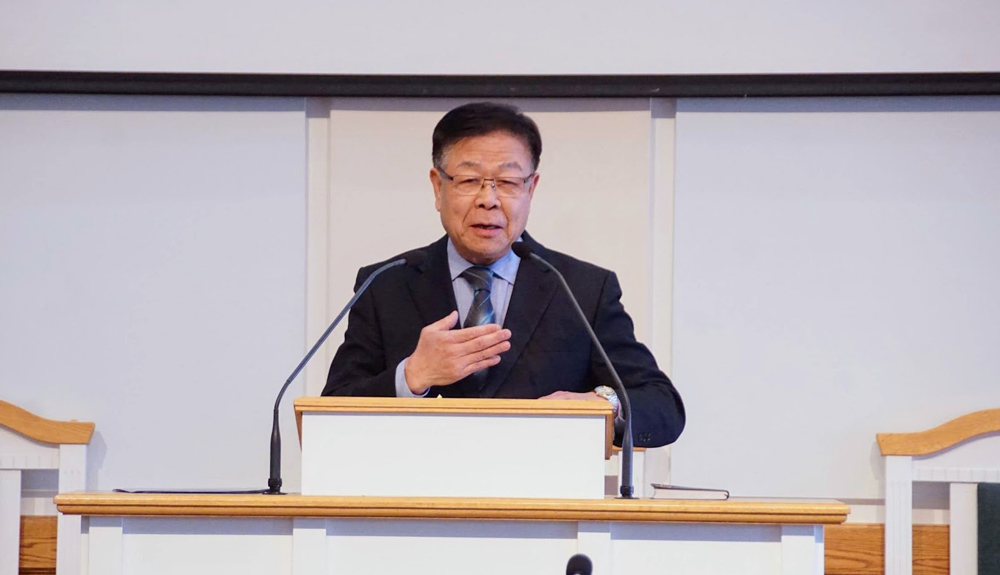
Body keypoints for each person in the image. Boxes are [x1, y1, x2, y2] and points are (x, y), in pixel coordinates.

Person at [322, 102, 684, 447]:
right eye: (469, 180)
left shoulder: (582, 289)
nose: (489, 200)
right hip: (415, 489)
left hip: (542, 489)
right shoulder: (386, 284)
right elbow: (329, 415)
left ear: (531, 188)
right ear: (438, 187)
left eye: (508, 182)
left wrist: (603, 404)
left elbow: (661, 405)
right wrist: (411, 376)